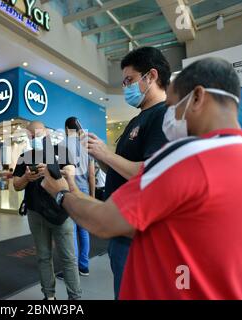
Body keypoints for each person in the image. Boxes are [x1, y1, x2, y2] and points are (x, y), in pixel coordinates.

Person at [42, 57, 242, 299]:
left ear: (197, 98)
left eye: (174, 106)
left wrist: (60, 192)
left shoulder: (188, 156)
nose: (171, 116)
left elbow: (104, 221)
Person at [85, 47, 170, 299]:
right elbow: (118, 170)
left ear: (151, 76)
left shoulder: (165, 114)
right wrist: (99, 156)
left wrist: (107, 154)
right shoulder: (137, 120)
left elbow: (152, 172)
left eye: (129, 80)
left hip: (140, 237)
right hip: (120, 231)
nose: (125, 87)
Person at [13, 121, 81, 300]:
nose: (35, 138)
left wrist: (52, 171)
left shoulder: (63, 152)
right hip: (35, 214)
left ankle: (75, 298)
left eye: (38, 134)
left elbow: (70, 183)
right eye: (32, 136)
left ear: (48, 133)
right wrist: (27, 177)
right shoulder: (24, 157)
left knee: (68, 258)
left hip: (61, 213)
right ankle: (49, 297)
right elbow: (16, 185)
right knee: (43, 257)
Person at [58, 117, 95, 278]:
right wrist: (92, 196)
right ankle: (84, 266)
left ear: (66, 129)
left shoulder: (62, 145)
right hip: (85, 190)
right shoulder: (86, 145)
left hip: (70, 190)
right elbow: (92, 174)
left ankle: (71, 270)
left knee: (70, 231)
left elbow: (58, 172)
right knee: (84, 230)